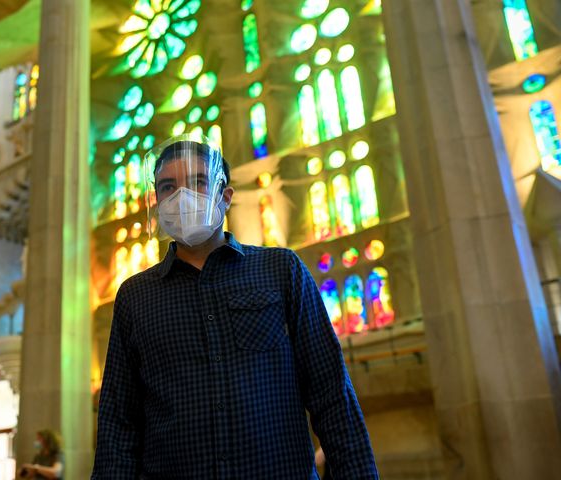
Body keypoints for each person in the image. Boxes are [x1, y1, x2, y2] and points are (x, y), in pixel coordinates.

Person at [92, 135, 378, 479]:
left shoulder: (281, 271)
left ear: (225, 196)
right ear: (157, 200)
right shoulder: (135, 297)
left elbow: (332, 396)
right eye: (168, 187)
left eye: (198, 181)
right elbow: (119, 425)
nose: (183, 196)